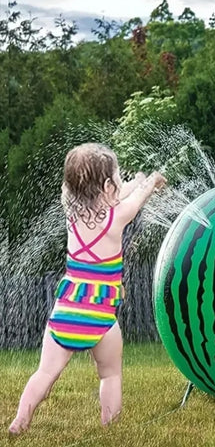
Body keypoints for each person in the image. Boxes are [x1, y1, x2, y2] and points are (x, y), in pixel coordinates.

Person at [8, 143, 167, 435]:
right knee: (110, 374)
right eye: (117, 178)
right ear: (107, 186)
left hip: (67, 310)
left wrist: (132, 182)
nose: (121, 183)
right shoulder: (117, 217)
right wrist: (151, 181)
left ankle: (20, 420)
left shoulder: (70, 210)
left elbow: (109, 192)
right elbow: (138, 198)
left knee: (45, 373)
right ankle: (109, 426)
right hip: (100, 317)